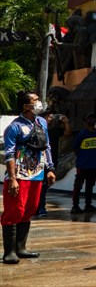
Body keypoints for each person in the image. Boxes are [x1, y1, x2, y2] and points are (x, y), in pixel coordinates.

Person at [2, 91, 56, 264]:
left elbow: (46, 146)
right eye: (35, 101)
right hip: (19, 175)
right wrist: (12, 178)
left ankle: (21, 247)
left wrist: (50, 169)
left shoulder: (41, 122)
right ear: (26, 106)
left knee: (30, 209)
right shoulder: (15, 126)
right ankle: (9, 251)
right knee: (14, 210)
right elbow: (9, 154)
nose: (40, 103)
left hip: (37, 174)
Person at [35, 109, 70, 218]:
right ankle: (40, 207)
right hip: (38, 162)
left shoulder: (54, 130)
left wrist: (66, 122)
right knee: (40, 186)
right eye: (49, 117)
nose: (51, 119)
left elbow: (67, 133)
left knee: (44, 186)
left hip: (51, 162)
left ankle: (39, 207)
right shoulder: (37, 130)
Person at [70, 114, 96, 214]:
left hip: (94, 164)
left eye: (93, 118)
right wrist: (82, 158)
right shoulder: (82, 134)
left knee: (90, 185)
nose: (91, 120)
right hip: (83, 165)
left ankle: (88, 205)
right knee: (78, 185)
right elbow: (75, 148)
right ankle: (75, 206)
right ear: (85, 121)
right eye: (89, 118)